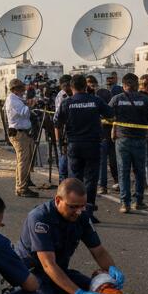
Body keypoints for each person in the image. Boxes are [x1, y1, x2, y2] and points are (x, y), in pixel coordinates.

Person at [16, 177, 123, 294]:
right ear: (58, 200)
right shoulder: (40, 219)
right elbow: (48, 265)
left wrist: (112, 269)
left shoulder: (81, 215)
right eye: (73, 207)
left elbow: (98, 251)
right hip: (32, 274)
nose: (78, 211)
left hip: (59, 271)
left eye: (82, 206)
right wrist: (78, 293)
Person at [55, 75, 113, 214]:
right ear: (85, 86)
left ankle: (74, 211)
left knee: (75, 180)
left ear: (71, 87)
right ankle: (88, 211)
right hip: (92, 145)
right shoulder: (96, 100)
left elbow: (57, 123)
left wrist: (59, 142)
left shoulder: (66, 103)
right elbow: (110, 114)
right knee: (91, 180)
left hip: (74, 145)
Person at [109, 74, 148, 213]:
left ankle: (125, 204)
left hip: (122, 140)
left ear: (123, 85)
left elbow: (107, 115)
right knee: (139, 171)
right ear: (136, 85)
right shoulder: (145, 100)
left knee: (123, 171)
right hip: (140, 140)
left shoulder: (116, 99)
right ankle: (139, 201)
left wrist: (113, 129)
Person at [5, 79, 36, 198]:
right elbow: (25, 113)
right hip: (19, 133)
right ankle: (22, 188)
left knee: (23, 161)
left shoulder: (15, 99)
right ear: (14, 90)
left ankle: (22, 185)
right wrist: (31, 104)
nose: (22, 91)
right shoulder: (12, 100)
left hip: (22, 133)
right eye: (20, 89)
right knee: (23, 161)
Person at [54, 75, 73, 179]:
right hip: (64, 133)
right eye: (64, 86)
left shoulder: (75, 94)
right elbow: (57, 120)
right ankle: (63, 183)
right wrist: (58, 139)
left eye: (68, 85)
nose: (66, 88)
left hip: (74, 133)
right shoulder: (61, 96)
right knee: (64, 160)